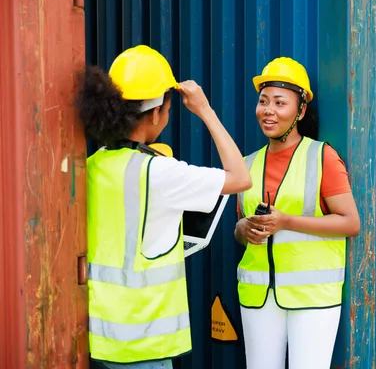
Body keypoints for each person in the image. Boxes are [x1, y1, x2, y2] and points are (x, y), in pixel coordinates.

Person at [75, 45, 252, 369]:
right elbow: (241, 177)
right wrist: (205, 110)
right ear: (156, 112)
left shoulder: (91, 165)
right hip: (146, 343)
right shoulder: (159, 172)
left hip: (104, 340)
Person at [234, 57, 360, 369]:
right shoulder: (247, 165)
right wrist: (243, 229)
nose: (268, 111)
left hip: (312, 297)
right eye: (263, 102)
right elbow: (239, 230)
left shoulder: (322, 157)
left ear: (300, 111)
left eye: (280, 102)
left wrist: (286, 221)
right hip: (258, 295)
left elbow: (350, 222)